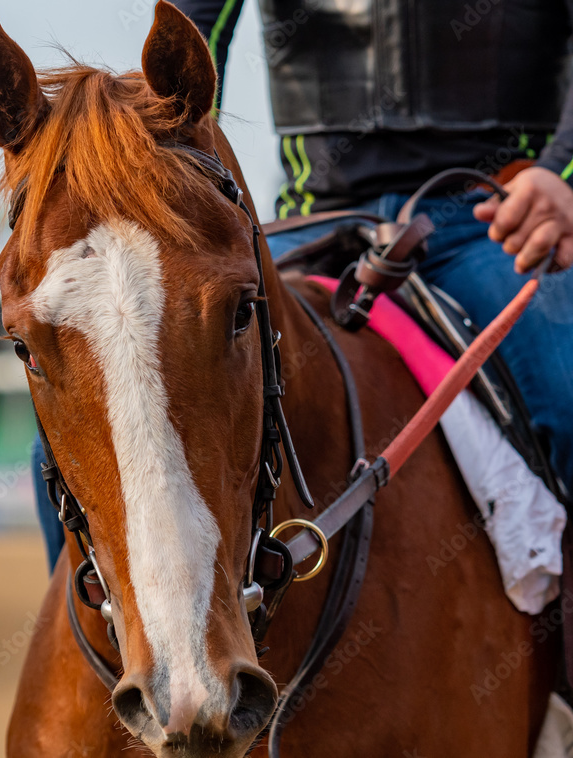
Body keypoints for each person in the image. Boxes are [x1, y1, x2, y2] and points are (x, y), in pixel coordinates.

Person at [32, 0, 573, 573]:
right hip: (318, 217)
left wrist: (563, 171)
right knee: (72, 429)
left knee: (565, 400)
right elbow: (184, 43)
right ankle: (97, 649)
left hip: (497, 215)